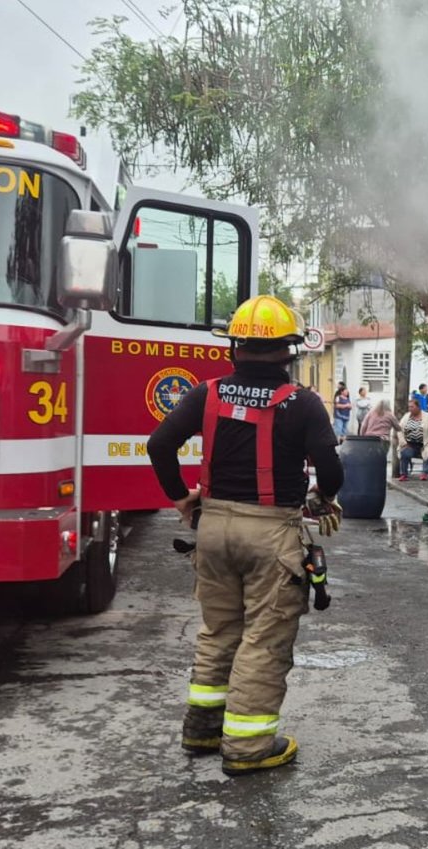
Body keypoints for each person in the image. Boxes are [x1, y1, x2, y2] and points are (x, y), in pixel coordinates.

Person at [147, 294, 343, 777]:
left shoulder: (206, 393)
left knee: (219, 629)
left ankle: (202, 727)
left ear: (233, 347)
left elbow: (159, 445)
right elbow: (332, 470)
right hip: (270, 535)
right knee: (264, 638)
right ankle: (249, 746)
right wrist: (321, 498)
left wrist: (181, 499)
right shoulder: (302, 403)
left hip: (211, 529)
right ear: (289, 351)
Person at [394, 396, 428, 481]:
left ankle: (424, 473)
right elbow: (399, 430)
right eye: (409, 407)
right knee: (404, 453)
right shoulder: (406, 416)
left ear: (418, 407)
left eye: (412, 407)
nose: (410, 408)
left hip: (425, 443)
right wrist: (403, 442)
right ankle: (404, 474)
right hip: (410, 445)